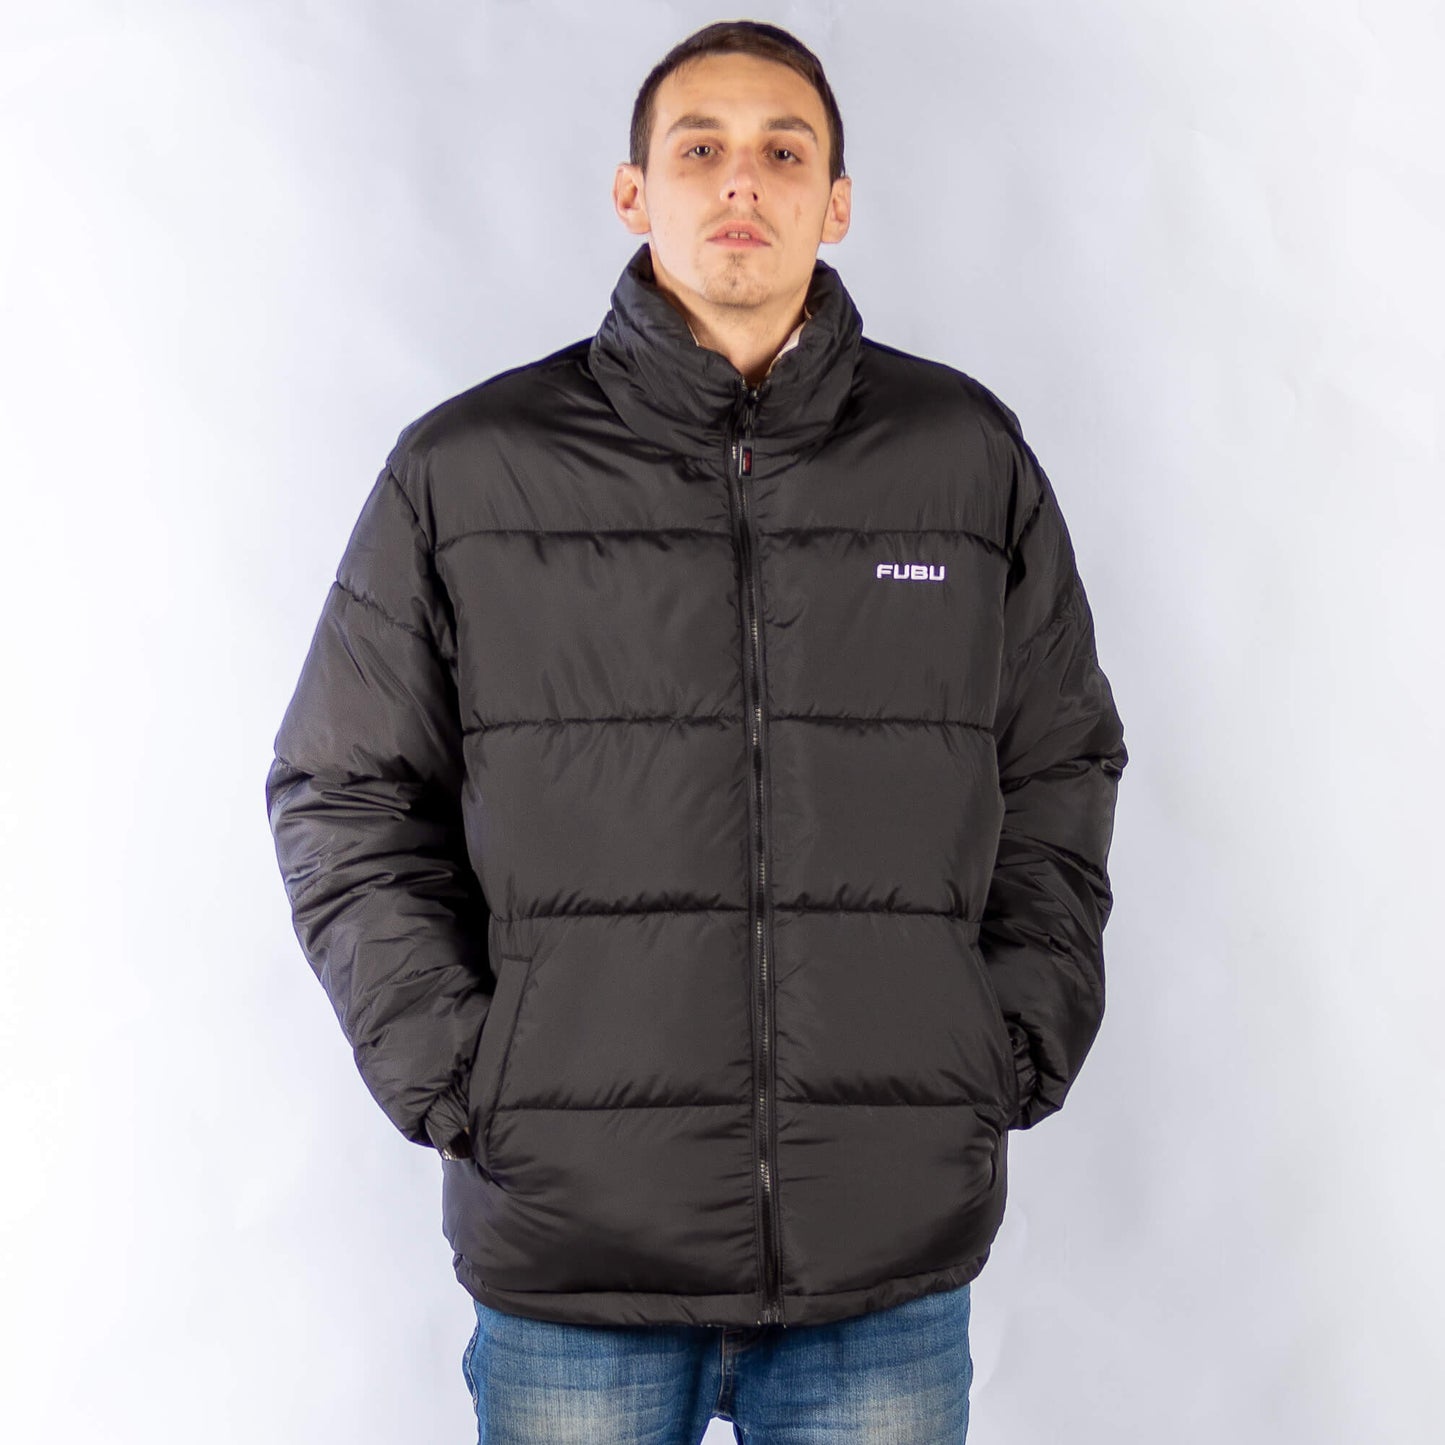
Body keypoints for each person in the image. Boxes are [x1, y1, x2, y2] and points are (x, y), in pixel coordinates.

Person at [264, 18, 1128, 1443]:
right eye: (700, 148)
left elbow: (1058, 760)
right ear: (634, 192)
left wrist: (1008, 1040)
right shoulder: (470, 471)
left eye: (784, 153)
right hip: (574, 1258)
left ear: (834, 202)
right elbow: (341, 788)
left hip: (879, 1251)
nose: (741, 180)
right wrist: (465, 1076)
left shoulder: (962, 459)